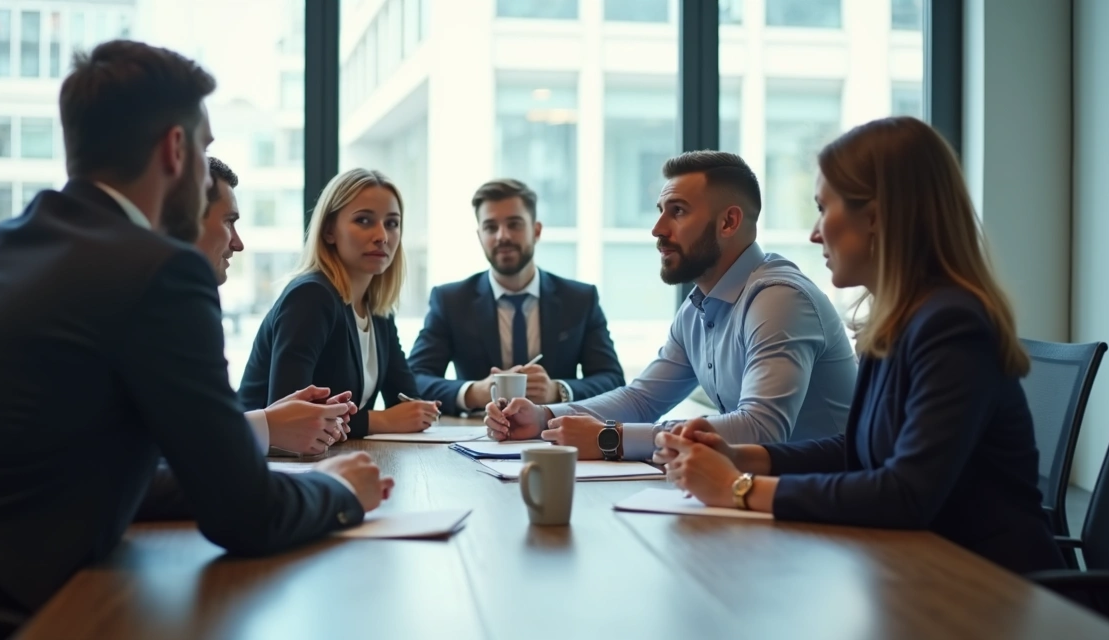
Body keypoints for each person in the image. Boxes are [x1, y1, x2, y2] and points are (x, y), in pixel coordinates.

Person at [0, 40, 393, 614]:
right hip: (14, 619)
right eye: (205, 147)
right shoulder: (157, 271)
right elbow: (245, 514)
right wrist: (335, 491)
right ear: (175, 149)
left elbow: (97, 470)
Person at [656, 116, 1064, 576]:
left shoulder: (952, 324)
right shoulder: (897, 319)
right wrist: (742, 456)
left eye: (823, 208)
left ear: (875, 217)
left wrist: (739, 488)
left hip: (991, 588)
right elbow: (856, 450)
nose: (815, 233)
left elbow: (904, 493)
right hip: (913, 572)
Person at [485, 151, 857, 461]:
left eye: (677, 211)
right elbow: (643, 398)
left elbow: (760, 429)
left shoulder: (779, 299)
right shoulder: (698, 309)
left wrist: (608, 439)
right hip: (760, 499)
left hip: (830, 515)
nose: (658, 229)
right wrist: (542, 416)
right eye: (661, 210)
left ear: (729, 221)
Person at [237, 168, 440, 437]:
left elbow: (406, 402)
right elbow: (290, 415)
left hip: (328, 456)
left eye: (392, 223)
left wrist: (419, 412)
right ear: (329, 230)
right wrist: (382, 421)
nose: (382, 236)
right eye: (364, 220)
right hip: (262, 460)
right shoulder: (310, 296)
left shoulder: (377, 308)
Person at [408, 178, 625, 415]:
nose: (503, 236)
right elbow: (414, 379)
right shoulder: (451, 301)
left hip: (556, 436)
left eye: (514, 224)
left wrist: (557, 391)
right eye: (491, 227)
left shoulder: (580, 299)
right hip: (475, 437)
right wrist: (474, 392)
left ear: (537, 230)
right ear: (480, 235)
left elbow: (612, 379)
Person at [197, 156, 355, 455]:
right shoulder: (311, 294)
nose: (238, 243)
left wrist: (274, 421)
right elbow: (169, 447)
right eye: (229, 222)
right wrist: (271, 425)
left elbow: (195, 426)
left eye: (393, 223)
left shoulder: (189, 304)